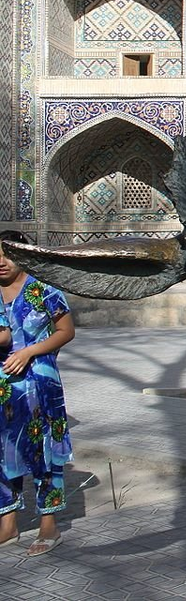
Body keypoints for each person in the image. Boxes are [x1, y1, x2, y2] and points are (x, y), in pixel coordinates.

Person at [0, 230, 75, 556]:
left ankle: (49, 525)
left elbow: (66, 331)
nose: (1, 262)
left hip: (39, 387)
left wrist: (30, 351)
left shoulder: (44, 289)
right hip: (4, 390)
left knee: (45, 452)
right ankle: (8, 524)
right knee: (2, 454)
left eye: (9, 254)